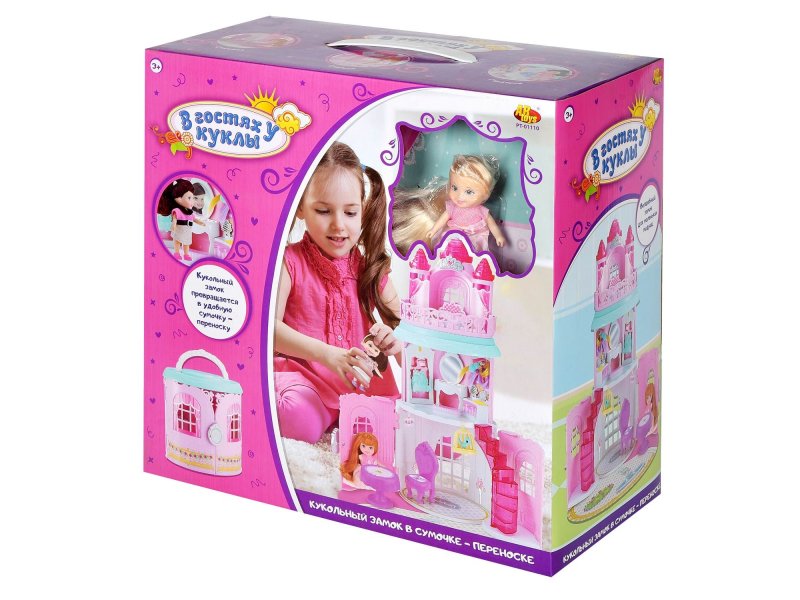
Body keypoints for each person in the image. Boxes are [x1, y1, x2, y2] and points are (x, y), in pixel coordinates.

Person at [274, 142, 402, 444]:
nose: (338, 225)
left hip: (363, 385)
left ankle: (348, 418)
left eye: (350, 212)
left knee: (398, 431)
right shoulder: (289, 262)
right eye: (323, 211)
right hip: (306, 380)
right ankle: (325, 415)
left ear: (362, 210)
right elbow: (270, 331)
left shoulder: (370, 269)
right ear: (301, 207)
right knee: (296, 417)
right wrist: (326, 354)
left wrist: (394, 342)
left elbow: (406, 330)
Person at [392, 155, 505, 255]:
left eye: (469, 192)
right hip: (453, 236)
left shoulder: (481, 210)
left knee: (473, 254)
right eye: (454, 188)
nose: (459, 196)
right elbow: (443, 218)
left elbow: (492, 224)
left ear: (485, 195)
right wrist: (433, 230)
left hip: (474, 236)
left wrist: (498, 236)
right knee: (446, 251)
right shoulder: (452, 207)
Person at [157, 178, 205, 261]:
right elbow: (175, 218)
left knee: (186, 243)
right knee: (177, 241)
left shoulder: (190, 212)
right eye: (189, 198)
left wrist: (200, 222)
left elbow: (194, 219)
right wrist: (173, 225)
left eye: (192, 198)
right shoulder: (177, 210)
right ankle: (177, 253)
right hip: (179, 229)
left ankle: (186, 254)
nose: (192, 201)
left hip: (187, 230)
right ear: (178, 198)